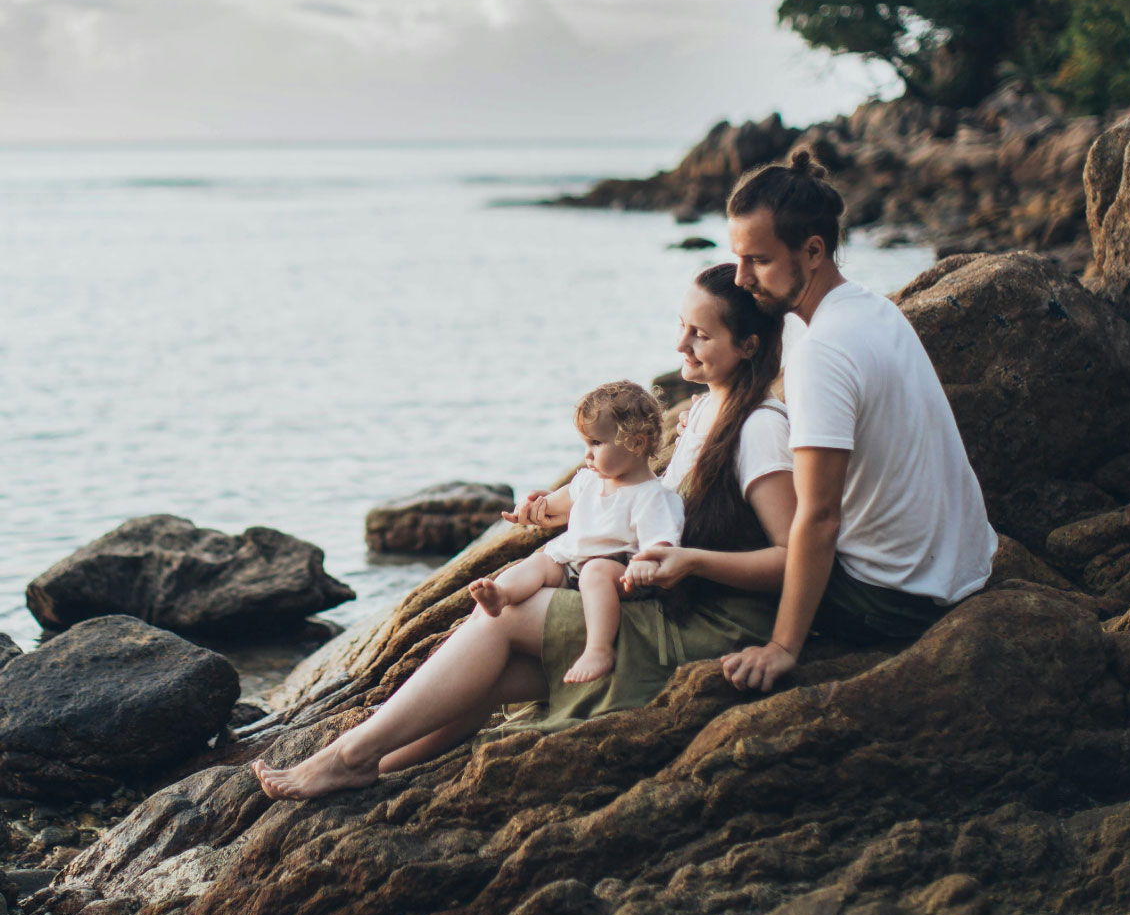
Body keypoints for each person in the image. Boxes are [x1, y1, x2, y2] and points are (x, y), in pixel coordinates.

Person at [252, 263, 795, 800]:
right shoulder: (702, 411)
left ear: (747, 345)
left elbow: (794, 560)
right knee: (497, 671)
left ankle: (348, 756)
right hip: (668, 598)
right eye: (682, 324)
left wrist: (694, 562)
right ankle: (380, 764)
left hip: (710, 623)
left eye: (700, 334)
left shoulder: (760, 429)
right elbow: (649, 500)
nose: (681, 343)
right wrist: (565, 510)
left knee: (501, 619)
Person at [719, 148, 998, 694]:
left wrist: (782, 648)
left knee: (722, 533)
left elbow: (820, 519)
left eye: (759, 260)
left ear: (813, 251)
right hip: (965, 571)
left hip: (897, 600)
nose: (741, 277)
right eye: (737, 258)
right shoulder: (871, 308)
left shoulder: (821, 351)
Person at [467, 381, 685, 684]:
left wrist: (645, 565)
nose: (588, 455)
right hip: (574, 566)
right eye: (585, 445)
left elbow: (660, 543)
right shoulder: (589, 481)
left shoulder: (652, 496)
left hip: (621, 574)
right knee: (541, 561)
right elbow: (555, 503)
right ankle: (502, 595)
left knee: (596, 571)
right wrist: (529, 509)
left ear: (635, 444)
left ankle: (599, 649)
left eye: (596, 444)